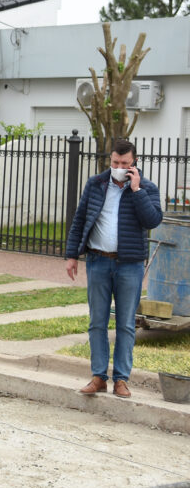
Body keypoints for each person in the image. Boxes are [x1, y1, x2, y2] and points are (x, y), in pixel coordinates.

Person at [65, 139, 163, 398]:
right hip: (98, 261)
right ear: (110, 160)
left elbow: (153, 220)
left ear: (135, 163)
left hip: (129, 265)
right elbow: (80, 219)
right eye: (115, 162)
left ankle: (121, 379)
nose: (119, 167)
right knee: (97, 321)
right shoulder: (95, 184)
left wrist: (137, 190)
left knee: (126, 324)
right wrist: (72, 255)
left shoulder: (147, 188)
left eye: (125, 163)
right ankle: (98, 376)